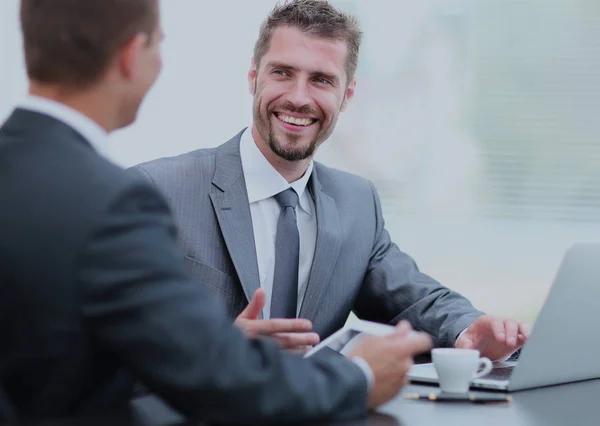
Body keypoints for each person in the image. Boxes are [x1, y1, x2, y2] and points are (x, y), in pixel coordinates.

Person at [0, 0, 433, 423]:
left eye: (320, 79)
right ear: (133, 54)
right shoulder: (118, 200)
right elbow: (212, 374)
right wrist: (359, 374)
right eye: (159, 45)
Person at [131, 0, 530, 361]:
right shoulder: (158, 191)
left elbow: (414, 299)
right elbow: (111, 336)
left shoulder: (356, 203)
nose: (299, 97)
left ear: (347, 95)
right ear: (253, 77)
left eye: (321, 80)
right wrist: (217, 344)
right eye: (282, 73)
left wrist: (468, 328)